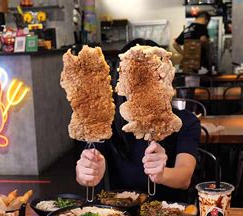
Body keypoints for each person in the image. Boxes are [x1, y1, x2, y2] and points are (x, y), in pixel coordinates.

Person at [75, 40, 201, 202]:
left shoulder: (185, 121)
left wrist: (162, 174)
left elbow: (184, 178)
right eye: (135, 79)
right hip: (123, 214)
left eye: (151, 79)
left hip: (170, 214)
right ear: (121, 84)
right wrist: (86, 172)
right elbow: (88, 169)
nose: (142, 90)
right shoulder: (107, 122)